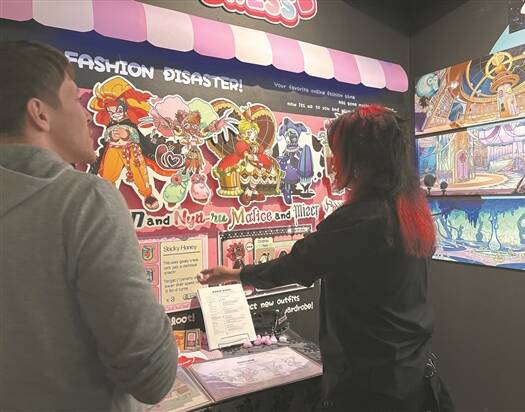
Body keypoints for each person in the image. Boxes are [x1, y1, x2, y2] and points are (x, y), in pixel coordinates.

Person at [199, 105, 453, 410]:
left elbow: (296, 265)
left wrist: (235, 274)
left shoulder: (359, 219)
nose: (332, 162)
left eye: (337, 153)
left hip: (372, 383)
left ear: (359, 161)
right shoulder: (409, 210)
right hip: (410, 371)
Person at [0, 41, 178, 411]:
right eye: (75, 99)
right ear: (39, 114)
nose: (86, 115)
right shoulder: (84, 200)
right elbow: (153, 375)